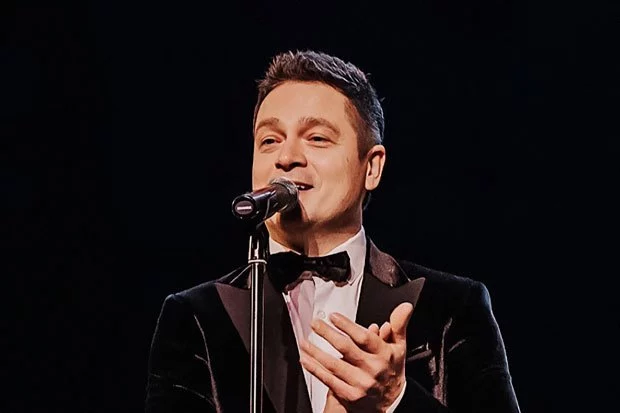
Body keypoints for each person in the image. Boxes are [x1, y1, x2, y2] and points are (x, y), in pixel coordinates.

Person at [144, 50, 521, 413]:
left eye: (317, 138)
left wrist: (395, 399)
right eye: (269, 140)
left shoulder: (453, 306)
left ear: (371, 168)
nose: (286, 158)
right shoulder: (196, 316)